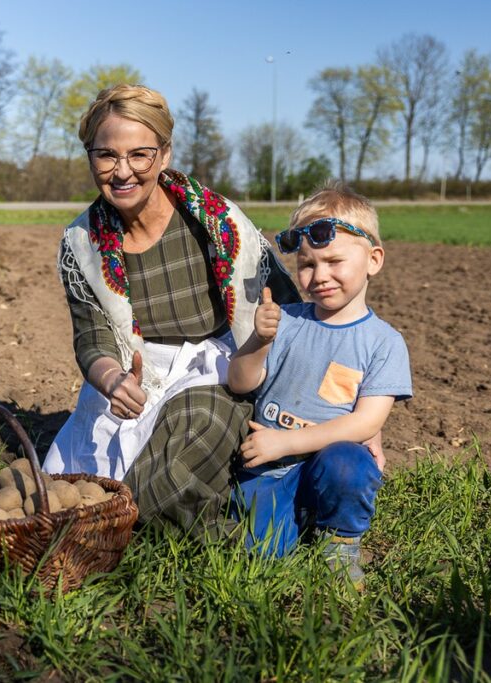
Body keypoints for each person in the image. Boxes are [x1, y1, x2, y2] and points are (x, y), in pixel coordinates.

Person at [43, 84, 300, 535]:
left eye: (139, 154)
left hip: (220, 368)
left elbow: (280, 300)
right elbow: (92, 336)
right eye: (106, 156)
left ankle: (113, 530)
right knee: (90, 472)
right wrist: (112, 380)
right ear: (90, 157)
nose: (122, 172)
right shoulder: (81, 244)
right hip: (134, 372)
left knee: (193, 428)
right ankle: (143, 522)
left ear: (164, 154)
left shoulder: (216, 224)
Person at [227, 182, 411, 583]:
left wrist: (286, 441)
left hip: (323, 460)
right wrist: (258, 342)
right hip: (271, 467)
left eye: (334, 261)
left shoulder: (384, 343)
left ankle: (340, 540)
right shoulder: (287, 321)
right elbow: (241, 382)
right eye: (307, 265)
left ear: (374, 260)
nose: (319, 275)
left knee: (349, 465)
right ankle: (301, 517)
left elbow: (365, 424)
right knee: (262, 556)